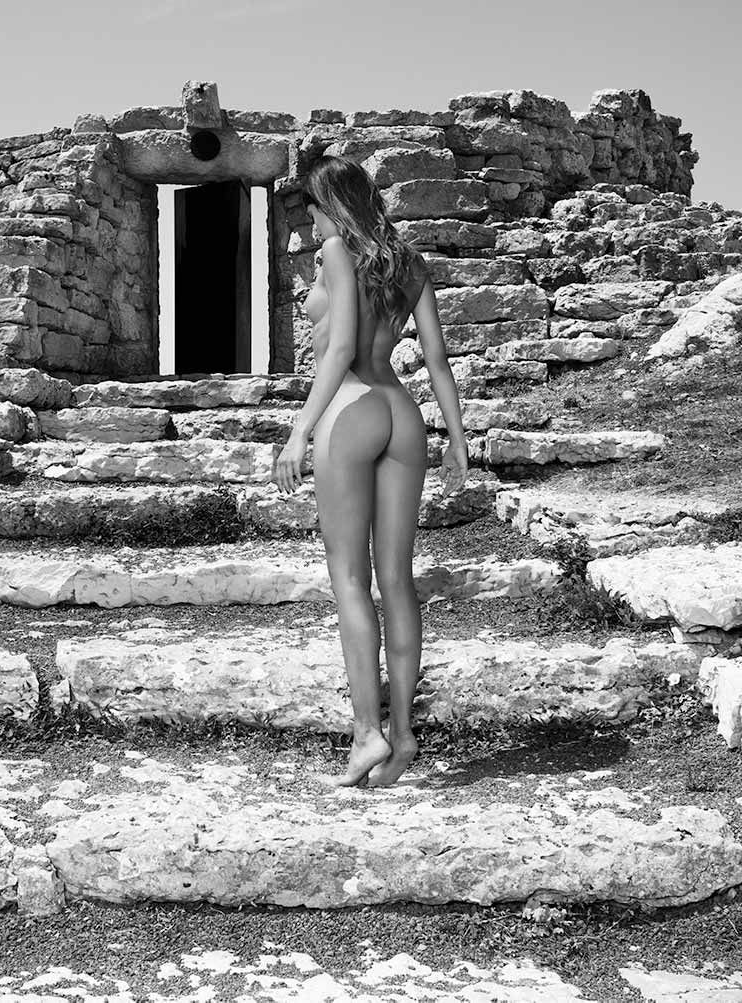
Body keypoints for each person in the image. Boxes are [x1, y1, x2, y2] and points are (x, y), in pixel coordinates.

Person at [273, 154, 468, 788]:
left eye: (311, 208)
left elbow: (338, 350)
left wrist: (300, 431)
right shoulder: (408, 262)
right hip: (402, 412)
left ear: (332, 204)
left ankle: (367, 734)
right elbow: (436, 359)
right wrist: (457, 439)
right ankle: (404, 733)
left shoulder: (337, 252)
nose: (309, 222)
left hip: (351, 409)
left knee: (351, 580)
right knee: (398, 580)